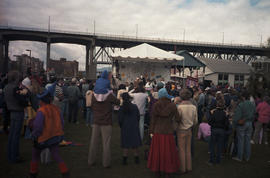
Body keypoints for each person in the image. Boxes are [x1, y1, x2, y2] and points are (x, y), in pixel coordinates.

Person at [29, 87, 69, 178]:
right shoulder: (56, 109)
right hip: (55, 137)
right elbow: (62, 123)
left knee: (35, 155)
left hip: (43, 138)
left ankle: (33, 173)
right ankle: (65, 172)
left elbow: (38, 127)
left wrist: (34, 136)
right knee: (56, 155)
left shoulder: (41, 111)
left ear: (42, 101)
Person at [88, 70, 120, 168]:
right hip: (106, 122)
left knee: (93, 142)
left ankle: (91, 161)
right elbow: (117, 102)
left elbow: (91, 106)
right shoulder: (109, 95)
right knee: (106, 143)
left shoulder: (93, 95)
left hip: (96, 121)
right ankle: (106, 163)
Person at [148, 88, 180, 178]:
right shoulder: (172, 105)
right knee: (168, 152)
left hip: (157, 131)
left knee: (157, 152)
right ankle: (167, 172)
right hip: (168, 131)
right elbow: (178, 118)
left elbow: (153, 120)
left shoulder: (156, 105)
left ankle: (157, 171)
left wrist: (151, 131)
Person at [4, 71, 28, 163]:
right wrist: (25, 94)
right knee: (15, 136)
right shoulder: (15, 88)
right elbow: (21, 101)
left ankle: (10, 154)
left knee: (11, 135)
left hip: (11, 111)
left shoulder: (6, 87)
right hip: (18, 111)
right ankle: (14, 156)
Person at [177, 88, 198, 174]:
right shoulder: (193, 107)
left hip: (181, 130)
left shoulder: (179, 107)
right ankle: (189, 167)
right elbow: (196, 121)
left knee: (181, 149)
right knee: (188, 149)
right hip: (189, 130)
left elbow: (177, 120)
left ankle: (183, 168)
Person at [118, 92, 142, 165]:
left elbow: (120, 119)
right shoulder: (134, 106)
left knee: (126, 143)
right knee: (135, 142)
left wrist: (121, 125)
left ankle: (125, 159)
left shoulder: (122, 108)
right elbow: (138, 116)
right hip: (134, 125)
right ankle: (136, 158)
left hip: (125, 126)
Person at [232, 91, 256, 162]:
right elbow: (255, 113)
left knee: (241, 141)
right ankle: (247, 157)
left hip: (242, 124)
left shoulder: (241, 105)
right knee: (247, 141)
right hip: (250, 123)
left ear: (243, 97)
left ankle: (239, 157)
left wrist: (234, 124)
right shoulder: (252, 104)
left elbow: (237, 117)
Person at [208, 99, 229, 165]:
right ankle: (218, 160)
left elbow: (209, 122)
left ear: (217, 105)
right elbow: (227, 124)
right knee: (220, 145)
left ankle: (212, 160)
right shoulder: (224, 113)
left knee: (213, 145)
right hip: (221, 130)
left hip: (214, 129)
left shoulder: (214, 112)